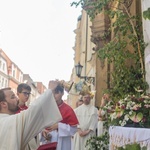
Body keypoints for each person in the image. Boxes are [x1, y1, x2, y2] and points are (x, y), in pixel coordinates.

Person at [0, 80, 62, 149]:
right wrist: (50, 90)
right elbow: (34, 110)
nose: (17, 98)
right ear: (3, 104)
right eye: (13, 97)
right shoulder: (12, 121)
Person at [40, 84, 79, 150]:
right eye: (53, 93)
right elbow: (40, 125)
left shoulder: (68, 109)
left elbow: (73, 129)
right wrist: (43, 132)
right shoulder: (46, 108)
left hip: (62, 143)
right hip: (48, 141)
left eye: (57, 93)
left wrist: (59, 126)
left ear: (62, 93)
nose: (54, 95)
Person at [16, 83, 40, 150]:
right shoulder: (12, 109)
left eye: (28, 94)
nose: (27, 96)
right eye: (25, 93)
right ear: (18, 94)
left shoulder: (28, 110)